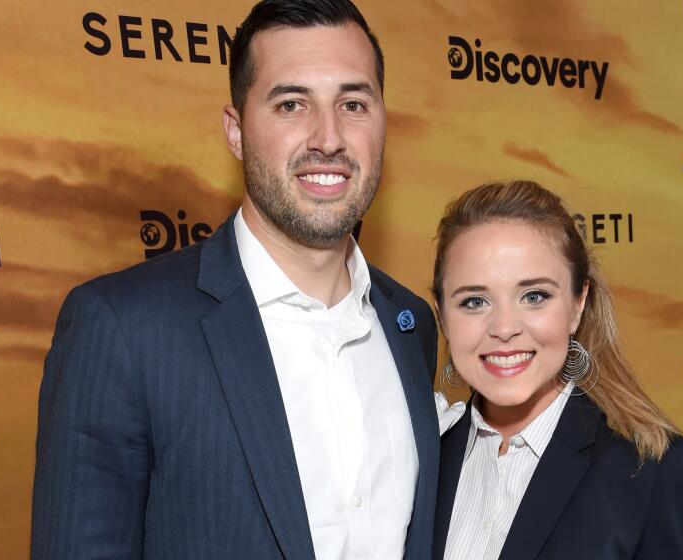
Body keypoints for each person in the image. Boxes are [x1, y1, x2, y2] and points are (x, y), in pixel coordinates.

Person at [31, 1, 439, 558]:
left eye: (353, 103)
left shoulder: (410, 325)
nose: (328, 137)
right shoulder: (124, 329)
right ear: (237, 132)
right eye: (292, 104)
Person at [431, 181, 683, 559]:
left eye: (534, 296)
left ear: (578, 304)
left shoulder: (656, 474)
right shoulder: (423, 458)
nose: (504, 327)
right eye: (474, 301)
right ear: (442, 315)